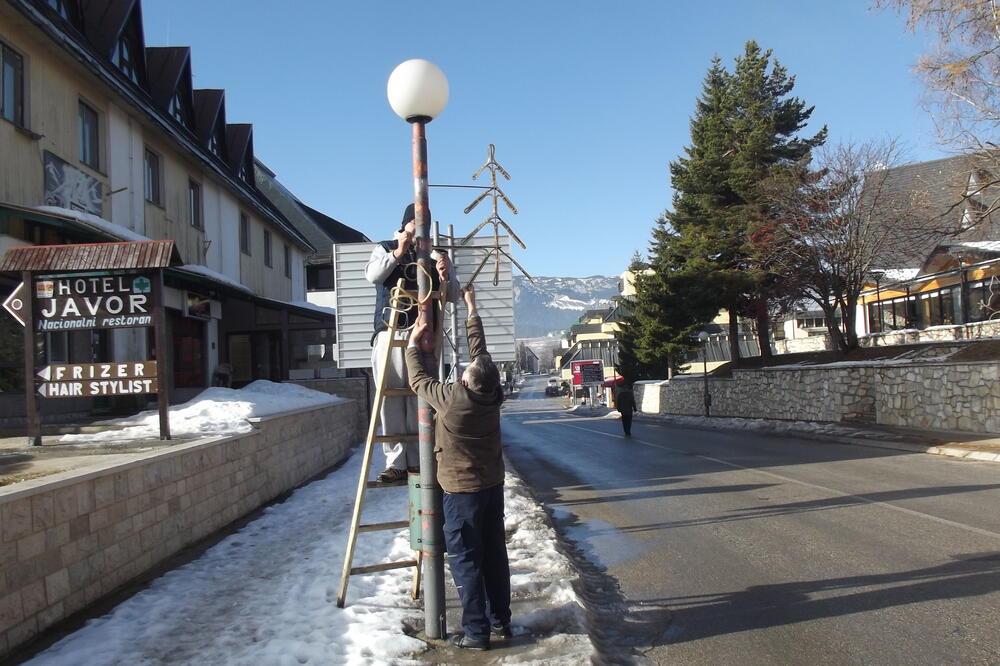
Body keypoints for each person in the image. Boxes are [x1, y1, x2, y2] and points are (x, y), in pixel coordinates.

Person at [406, 284, 512, 651]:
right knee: (495, 553)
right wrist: (471, 308)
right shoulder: (493, 395)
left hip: (461, 492)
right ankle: (501, 621)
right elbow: (480, 354)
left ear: (465, 381)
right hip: (492, 486)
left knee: (466, 560)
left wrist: (411, 344)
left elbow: (418, 379)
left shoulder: (452, 401)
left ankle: (476, 633)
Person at [365, 203, 458, 483]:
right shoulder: (385, 247)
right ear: (405, 224)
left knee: (422, 394)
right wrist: (398, 251)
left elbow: (452, 294)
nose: (418, 230)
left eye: (423, 225)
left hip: (425, 334)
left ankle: (419, 459)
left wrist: (446, 275)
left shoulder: (435, 255)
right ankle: (396, 462)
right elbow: (373, 275)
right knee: (391, 395)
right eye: (414, 224)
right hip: (391, 330)